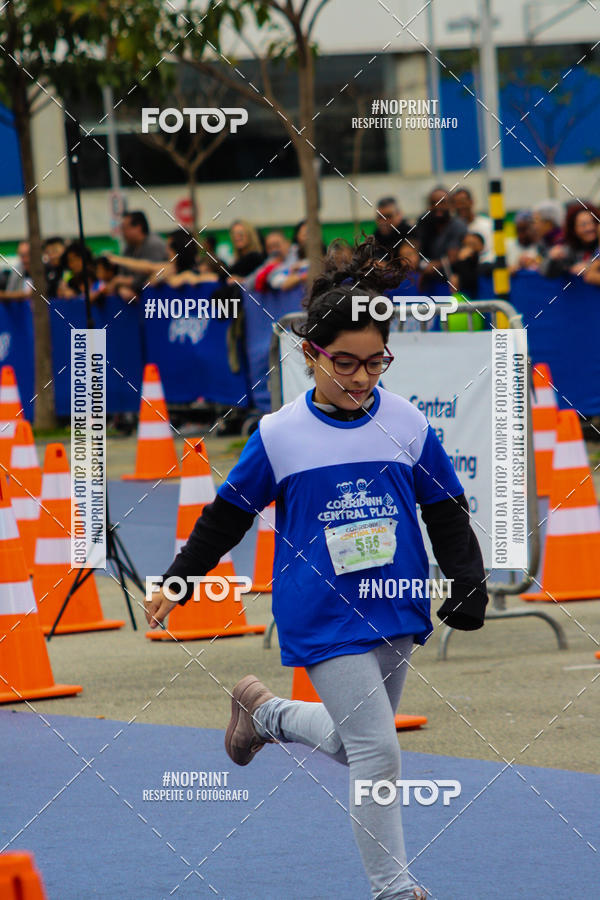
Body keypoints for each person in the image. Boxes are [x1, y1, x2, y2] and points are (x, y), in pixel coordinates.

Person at [145, 237, 488, 900]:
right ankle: (393, 890)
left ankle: (267, 716)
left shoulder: (408, 423)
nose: (361, 378)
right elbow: (228, 515)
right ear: (310, 355)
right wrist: (180, 579)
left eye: (375, 362)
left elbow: (446, 507)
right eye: (345, 363)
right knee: (378, 752)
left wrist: (467, 582)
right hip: (321, 609)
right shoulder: (279, 434)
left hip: (394, 602)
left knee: (354, 740)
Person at [414, 186, 467, 291]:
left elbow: (453, 257)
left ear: (451, 205)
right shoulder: (423, 222)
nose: (437, 206)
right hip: (429, 284)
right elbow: (416, 250)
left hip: (452, 283)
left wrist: (432, 266)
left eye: (442, 202)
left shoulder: (457, 225)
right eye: (433, 202)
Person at [111, 211, 168, 300]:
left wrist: (120, 282)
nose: (123, 233)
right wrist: (121, 288)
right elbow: (122, 274)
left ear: (138, 227)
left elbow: (150, 277)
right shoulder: (129, 247)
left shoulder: (154, 244)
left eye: (125, 228)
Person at [539, 203, 600, 282]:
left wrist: (589, 267)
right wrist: (552, 258)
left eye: (593, 222)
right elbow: (546, 272)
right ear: (573, 229)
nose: (590, 228)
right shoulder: (570, 249)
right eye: (583, 225)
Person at [451, 187, 493, 263]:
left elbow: (491, 253)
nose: (460, 206)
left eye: (463, 202)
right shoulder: (451, 228)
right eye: (456, 204)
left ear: (471, 202)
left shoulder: (487, 224)